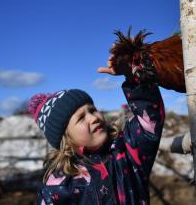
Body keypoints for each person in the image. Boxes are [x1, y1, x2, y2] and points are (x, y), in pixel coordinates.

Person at [29, 53, 165, 205]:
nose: (93, 118)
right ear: (66, 139)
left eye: (92, 110)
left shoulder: (126, 150)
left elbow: (149, 118)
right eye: (81, 118)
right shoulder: (58, 186)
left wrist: (134, 75)